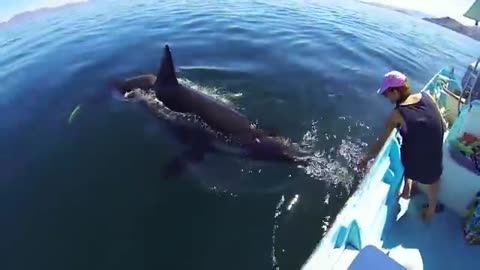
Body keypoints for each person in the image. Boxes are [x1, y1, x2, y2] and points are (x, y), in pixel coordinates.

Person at [358, 70, 446, 221]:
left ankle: (410, 190)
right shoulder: (427, 96)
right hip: (437, 159)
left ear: (395, 91)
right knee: (432, 175)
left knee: (404, 145)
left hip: (417, 165)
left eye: (386, 94)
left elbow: (381, 142)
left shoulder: (397, 113)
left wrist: (365, 158)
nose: (387, 98)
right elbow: (443, 124)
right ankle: (428, 206)